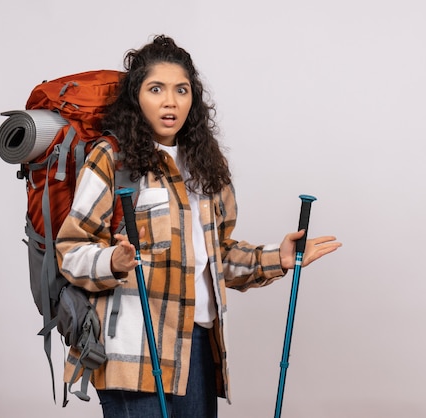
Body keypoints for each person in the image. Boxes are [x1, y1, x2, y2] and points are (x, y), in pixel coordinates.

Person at [56, 34, 341, 418]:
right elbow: (71, 251)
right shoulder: (111, 158)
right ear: (136, 96)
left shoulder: (206, 166)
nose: (170, 101)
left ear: (194, 98)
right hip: (135, 354)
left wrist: (278, 258)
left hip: (197, 348)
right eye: (156, 89)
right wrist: (114, 261)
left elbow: (218, 257)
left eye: (181, 90)